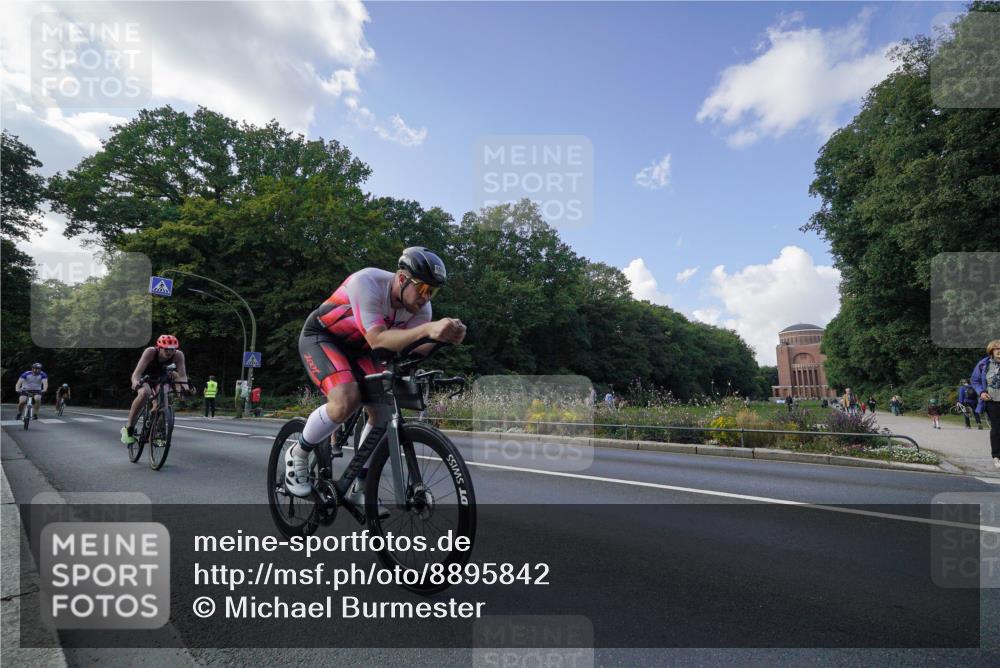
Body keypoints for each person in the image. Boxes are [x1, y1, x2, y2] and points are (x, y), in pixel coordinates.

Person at [285, 247, 466, 506]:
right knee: (346, 399)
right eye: (424, 289)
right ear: (402, 279)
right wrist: (428, 329)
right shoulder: (366, 282)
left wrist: (445, 339)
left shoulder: (420, 310)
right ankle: (299, 451)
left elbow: (408, 350)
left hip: (365, 350)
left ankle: (362, 484)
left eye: (433, 292)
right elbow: (378, 338)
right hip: (324, 338)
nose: (426, 299)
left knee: (382, 412)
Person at [121, 335, 190, 445]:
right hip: (145, 376)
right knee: (145, 392)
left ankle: (159, 431)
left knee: (164, 400)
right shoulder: (150, 352)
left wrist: (185, 388)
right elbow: (137, 373)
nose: (169, 352)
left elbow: (182, 376)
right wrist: (135, 382)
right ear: (159, 347)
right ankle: (128, 427)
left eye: (172, 349)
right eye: (166, 349)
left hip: (161, 378)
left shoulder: (178, 355)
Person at [971, 340, 1000, 468]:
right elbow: (975, 380)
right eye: (996, 349)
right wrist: (981, 392)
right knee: (997, 429)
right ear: (991, 351)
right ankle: (997, 456)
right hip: (992, 401)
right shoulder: (984, 364)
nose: (999, 351)